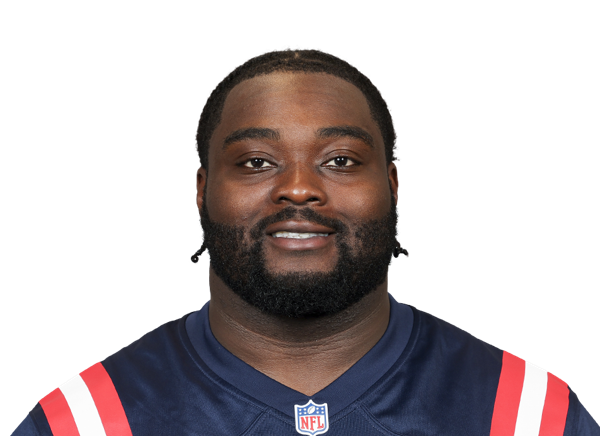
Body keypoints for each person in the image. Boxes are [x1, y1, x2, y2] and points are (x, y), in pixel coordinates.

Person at [13, 47, 598, 436]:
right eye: (256, 161)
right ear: (202, 189)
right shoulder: (88, 421)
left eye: (340, 160)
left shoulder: (525, 415)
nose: (298, 188)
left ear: (392, 186)